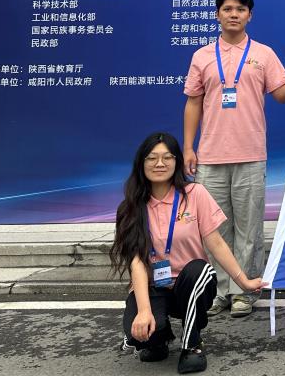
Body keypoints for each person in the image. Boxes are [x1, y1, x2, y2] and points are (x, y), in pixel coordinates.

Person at [182, 0, 285, 318]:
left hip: (251, 154)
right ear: (217, 14)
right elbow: (193, 102)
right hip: (210, 156)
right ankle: (219, 290)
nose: (233, 14)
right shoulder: (202, 56)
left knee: (249, 228)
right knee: (213, 229)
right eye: (227, 9)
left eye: (240, 9)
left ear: (249, 15)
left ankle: (245, 291)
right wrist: (188, 147)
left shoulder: (263, 54)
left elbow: (280, 94)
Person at [111, 132, 263, 373]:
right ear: (141, 162)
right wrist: (144, 311)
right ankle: (159, 340)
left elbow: (216, 243)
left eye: (167, 157)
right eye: (152, 158)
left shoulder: (195, 193)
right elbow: (137, 262)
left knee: (199, 270)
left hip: (191, 285)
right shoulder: (130, 206)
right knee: (140, 334)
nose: (160, 164)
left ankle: (192, 344)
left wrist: (243, 281)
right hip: (154, 286)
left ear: (177, 161)